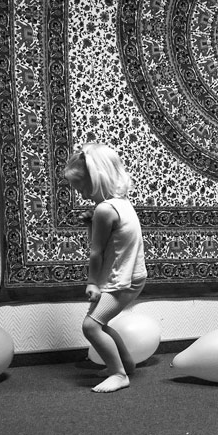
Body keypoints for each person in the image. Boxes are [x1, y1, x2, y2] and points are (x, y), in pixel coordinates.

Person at [64, 143, 147, 393]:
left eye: (82, 187)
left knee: (90, 327)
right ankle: (126, 365)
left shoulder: (104, 209)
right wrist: (92, 225)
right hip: (131, 276)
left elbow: (96, 251)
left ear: (98, 179)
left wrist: (92, 282)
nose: (81, 195)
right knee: (100, 324)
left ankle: (119, 374)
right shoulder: (120, 203)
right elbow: (111, 242)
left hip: (122, 280)